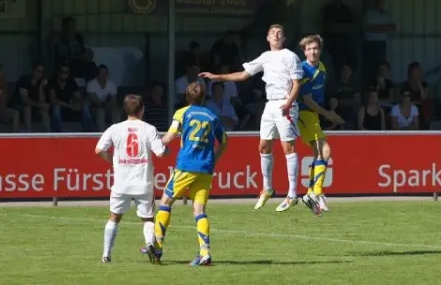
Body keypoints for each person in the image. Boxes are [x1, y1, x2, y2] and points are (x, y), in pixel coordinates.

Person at [200, 24, 304, 212]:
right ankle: (267, 188)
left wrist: (289, 103)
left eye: (280, 33)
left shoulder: (290, 56)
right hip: (270, 104)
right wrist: (217, 77)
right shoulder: (265, 57)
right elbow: (243, 74)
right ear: (267, 37)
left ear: (284, 38)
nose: (276, 35)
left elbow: (297, 84)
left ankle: (292, 194)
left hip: (285, 103)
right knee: (263, 146)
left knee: (287, 147)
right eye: (273, 33)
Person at [150, 82, 227, 266]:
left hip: (186, 165)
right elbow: (224, 141)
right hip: (205, 168)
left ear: (187, 97)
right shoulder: (212, 116)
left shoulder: (182, 113)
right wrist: (213, 160)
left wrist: (156, 144)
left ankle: (158, 247)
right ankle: (205, 253)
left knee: (165, 202)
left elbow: (169, 137)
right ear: (204, 97)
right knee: (199, 210)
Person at [95, 94, 167, 264]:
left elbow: (98, 150)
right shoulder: (148, 129)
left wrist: (113, 161)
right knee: (148, 219)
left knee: (114, 217)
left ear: (125, 110)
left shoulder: (115, 128)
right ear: (142, 109)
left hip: (121, 182)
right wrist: (166, 149)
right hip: (143, 183)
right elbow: (161, 152)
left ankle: (106, 254)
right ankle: (149, 243)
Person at [296, 35, 344, 215]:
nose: (312, 52)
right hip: (303, 113)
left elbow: (319, 94)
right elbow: (307, 100)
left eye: (315, 48)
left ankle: (310, 193)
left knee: (318, 153)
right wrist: (328, 114)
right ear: (304, 51)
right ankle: (317, 192)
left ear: (320, 50)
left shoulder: (322, 68)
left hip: (313, 115)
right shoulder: (302, 70)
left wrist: (328, 106)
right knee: (325, 151)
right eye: (309, 49)